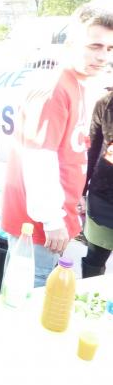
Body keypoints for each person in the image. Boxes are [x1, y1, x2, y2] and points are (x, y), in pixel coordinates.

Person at [1, 0, 113, 287]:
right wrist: (52, 220)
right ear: (72, 43)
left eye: (110, 49)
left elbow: (71, 155)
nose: (103, 57)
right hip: (38, 225)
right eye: (95, 46)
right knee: (29, 294)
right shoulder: (54, 88)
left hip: (51, 219)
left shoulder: (77, 84)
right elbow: (39, 159)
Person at [81, 85, 113, 277]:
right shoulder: (105, 103)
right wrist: (81, 190)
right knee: (95, 258)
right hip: (104, 196)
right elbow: (92, 150)